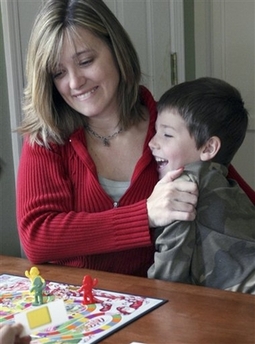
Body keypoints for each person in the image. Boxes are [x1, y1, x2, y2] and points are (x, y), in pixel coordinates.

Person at [16, 0, 252, 276]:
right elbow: (37, 237)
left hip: (164, 304)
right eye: (58, 73)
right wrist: (145, 215)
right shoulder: (47, 137)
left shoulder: (170, 128)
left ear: (117, 51)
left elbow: (239, 202)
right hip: (78, 307)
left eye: (85, 61)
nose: (75, 82)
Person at [148, 77, 255, 293]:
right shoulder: (231, 187)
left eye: (167, 134)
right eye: (156, 131)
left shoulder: (183, 186)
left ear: (208, 148)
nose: (152, 142)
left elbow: (168, 276)